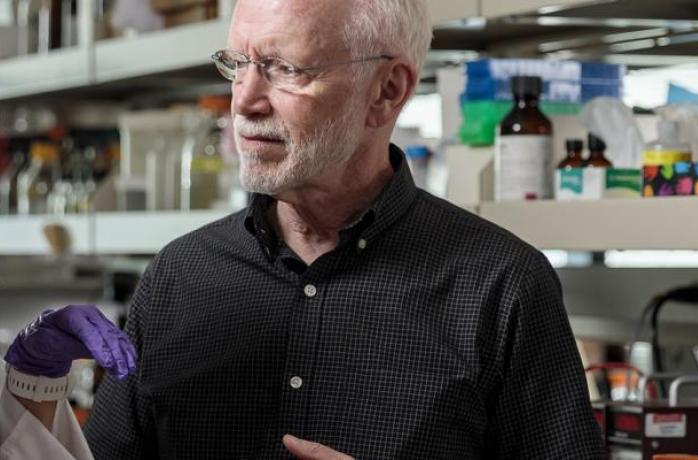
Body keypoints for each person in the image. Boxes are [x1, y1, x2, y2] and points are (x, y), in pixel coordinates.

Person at [1, 0, 605, 458]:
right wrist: (33, 388)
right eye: (238, 64)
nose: (245, 101)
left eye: (285, 69)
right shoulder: (180, 275)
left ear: (386, 91)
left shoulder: (500, 286)